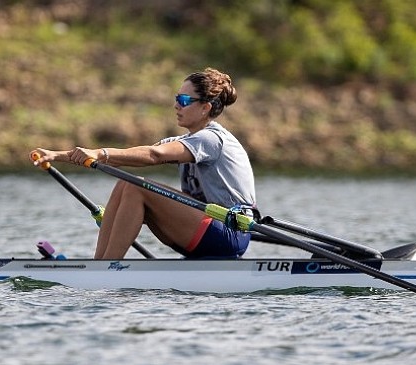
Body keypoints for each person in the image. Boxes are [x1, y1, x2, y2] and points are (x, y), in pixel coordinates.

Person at [31, 67, 256, 259]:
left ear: (205, 107)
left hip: (230, 232)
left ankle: (105, 269)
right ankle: (99, 264)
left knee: (136, 187)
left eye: (184, 100)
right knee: (125, 184)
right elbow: (138, 154)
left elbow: (154, 155)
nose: (177, 105)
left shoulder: (211, 139)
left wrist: (100, 153)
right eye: (176, 99)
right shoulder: (186, 141)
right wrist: (57, 155)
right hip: (205, 228)